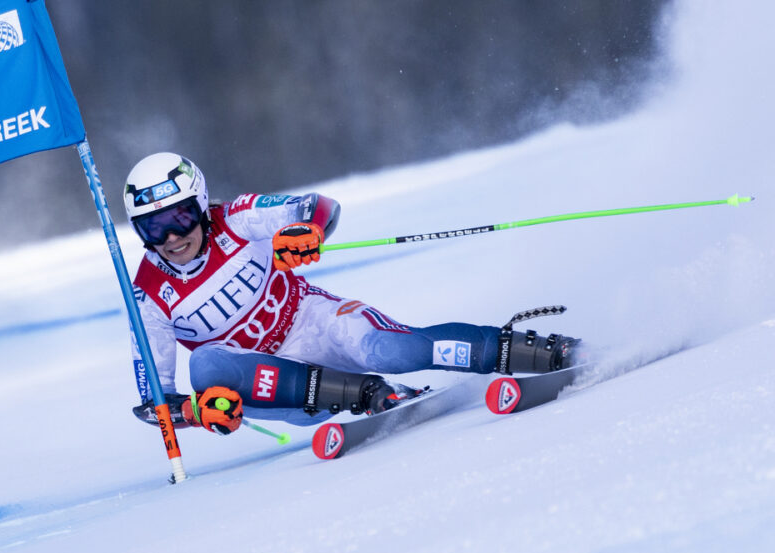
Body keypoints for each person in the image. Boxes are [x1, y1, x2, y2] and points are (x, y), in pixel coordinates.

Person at [126, 152, 580, 435]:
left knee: (390, 348)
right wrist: (195, 411)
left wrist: (308, 230)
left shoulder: (237, 218)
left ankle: (531, 351)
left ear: (201, 204)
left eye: (180, 217)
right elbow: (154, 406)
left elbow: (317, 206)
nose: (170, 237)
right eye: (153, 228)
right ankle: (366, 395)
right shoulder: (147, 298)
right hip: (278, 387)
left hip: (313, 321)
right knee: (206, 366)